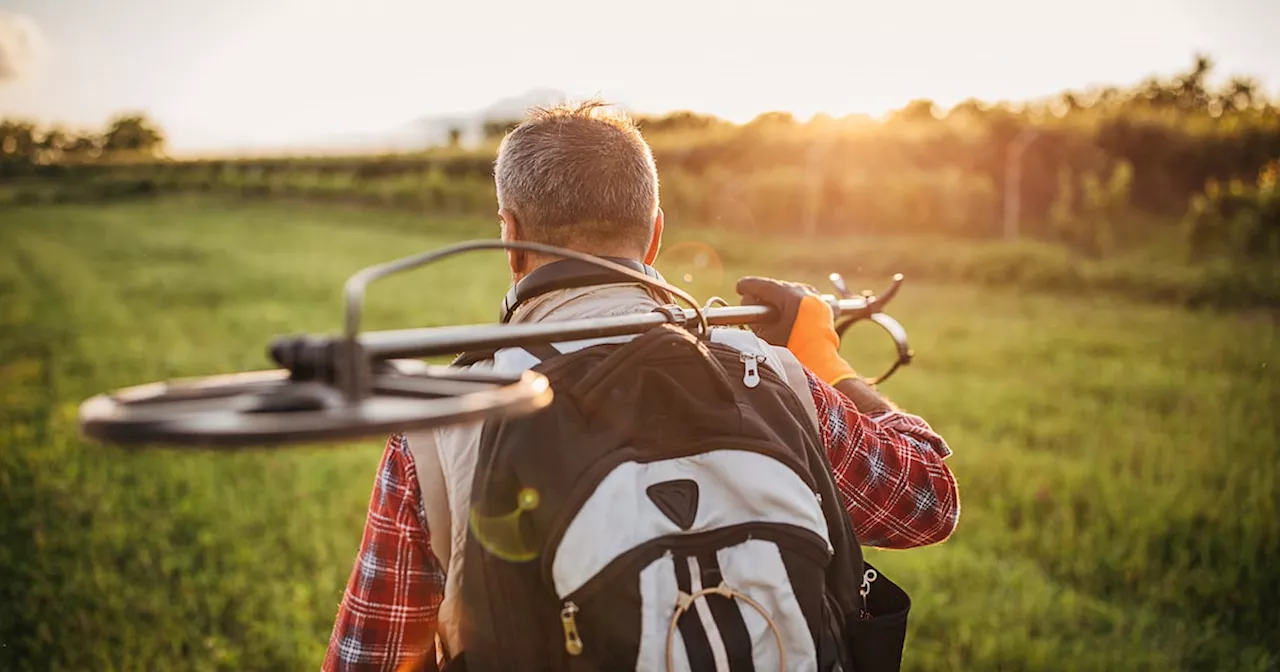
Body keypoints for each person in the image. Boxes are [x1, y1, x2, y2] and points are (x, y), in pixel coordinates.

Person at [322, 101, 960, 671]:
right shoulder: (771, 375)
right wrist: (824, 360)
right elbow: (928, 503)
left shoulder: (442, 428)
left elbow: (367, 658)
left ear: (510, 237)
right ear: (654, 235)